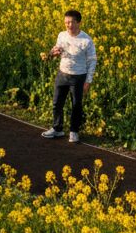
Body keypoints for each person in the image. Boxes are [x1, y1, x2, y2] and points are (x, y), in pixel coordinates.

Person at [41, 9, 97, 143]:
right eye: (66, 22)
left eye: (71, 22)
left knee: (76, 105)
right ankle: (57, 128)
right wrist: (53, 53)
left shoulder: (86, 40)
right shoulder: (62, 35)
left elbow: (92, 61)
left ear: (78, 22)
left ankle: (74, 131)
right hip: (62, 73)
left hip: (78, 77)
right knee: (57, 103)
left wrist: (88, 81)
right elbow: (56, 50)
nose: (69, 25)